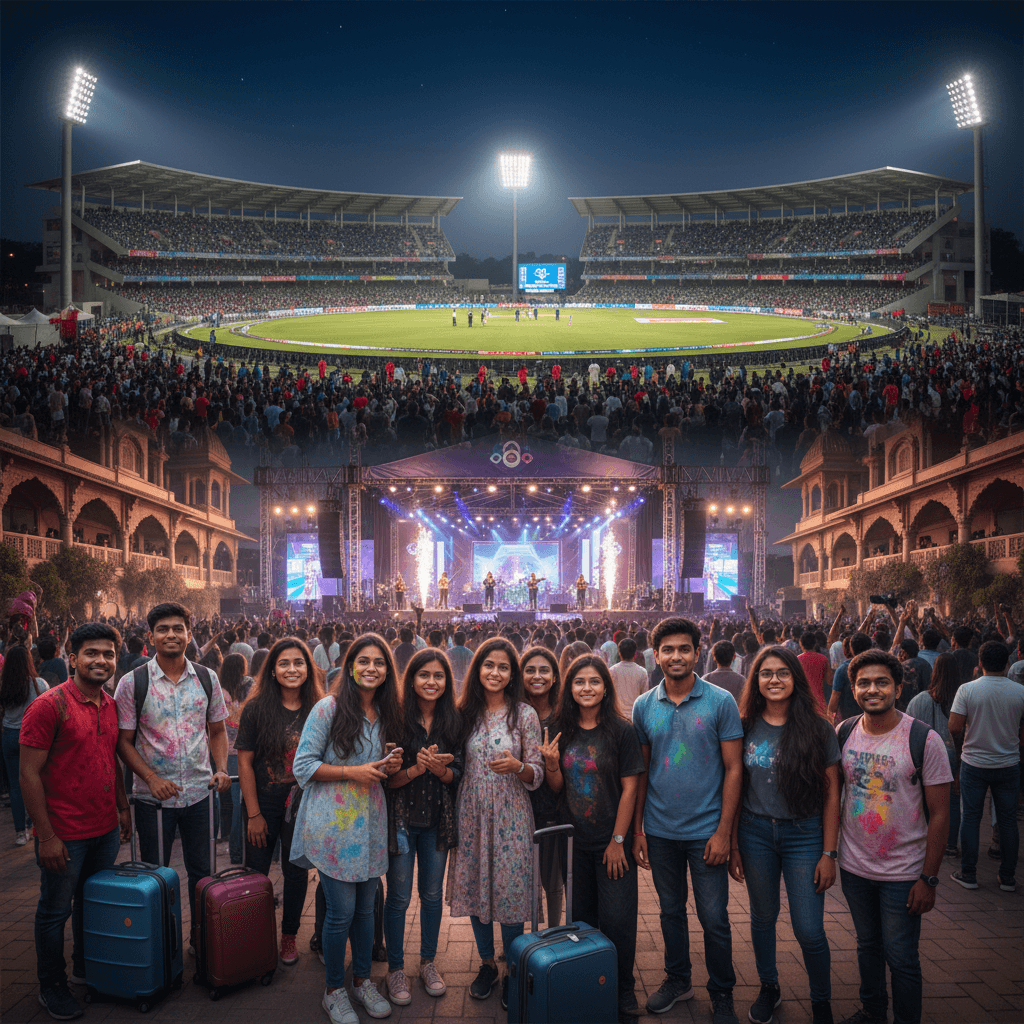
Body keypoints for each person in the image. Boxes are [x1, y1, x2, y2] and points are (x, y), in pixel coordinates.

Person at [631, 617, 743, 1024]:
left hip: (706, 833)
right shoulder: (644, 705)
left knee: (714, 918)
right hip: (660, 832)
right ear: (655, 654)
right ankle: (678, 979)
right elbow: (642, 773)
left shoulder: (719, 702)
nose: (676, 656)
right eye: (668, 649)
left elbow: (734, 769)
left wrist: (724, 833)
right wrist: (640, 829)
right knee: (670, 910)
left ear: (699, 652)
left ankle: (723, 991)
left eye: (684, 649)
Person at [19, 623, 132, 1021]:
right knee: (55, 911)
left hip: (103, 830)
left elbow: (111, 759)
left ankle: (88, 969)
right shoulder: (50, 706)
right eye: (92, 653)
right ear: (73, 658)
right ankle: (52, 986)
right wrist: (46, 835)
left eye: (108, 654)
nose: (101, 661)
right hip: (64, 833)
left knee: (92, 904)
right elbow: (28, 775)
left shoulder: (110, 703)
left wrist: (121, 807)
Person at [290, 634, 405, 1024]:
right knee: (341, 912)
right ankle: (334, 990)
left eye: (379, 662)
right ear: (351, 665)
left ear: (388, 671)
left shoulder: (386, 714)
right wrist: (352, 772)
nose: (372, 668)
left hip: (370, 824)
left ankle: (362, 981)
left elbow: (375, 768)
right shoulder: (328, 708)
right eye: (364, 661)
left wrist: (387, 765)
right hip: (332, 825)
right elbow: (303, 766)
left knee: (366, 912)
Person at [837, 649, 951, 1024]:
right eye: (864, 683)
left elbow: (940, 815)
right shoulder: (844, 732)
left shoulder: (924, 739)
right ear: (853, 688)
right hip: (855, 869)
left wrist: (929, 878)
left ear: (898, 688)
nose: (873, 689)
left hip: (904, 874)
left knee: (901, 956)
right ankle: (872, 1011)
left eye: (882, 682)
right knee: (867, 946)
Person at [729, 646, 841, 1024]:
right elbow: (733, 785)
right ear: (755, 680)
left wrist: (830, 852)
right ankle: (769, 986)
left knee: (808, 928)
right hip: (754, 833)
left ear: (796, 678)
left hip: (804, 836)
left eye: (782, 673)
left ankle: (821, 1000)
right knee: (763, 917)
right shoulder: (743, 725)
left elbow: (831, 794)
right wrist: (732, 843)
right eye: (766, 673)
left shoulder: (818, 727)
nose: (774, 680)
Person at [114, 603, 231, 935]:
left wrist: (221, 768)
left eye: (178, 628)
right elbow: (123, 741)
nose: (171, 634)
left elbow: (218, 731)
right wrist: (150, 779)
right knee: (154, 876)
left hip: (201, 795)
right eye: (163, 629)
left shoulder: (207, 679)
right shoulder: (132, 683)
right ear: (151, 637)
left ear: (189, 635)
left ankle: (202, 939)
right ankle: (161, 946)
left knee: (204, 875)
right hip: (154, 801)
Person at [542, 654, 646, 1018]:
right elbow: (556, 787)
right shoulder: (559, 727)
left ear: (605, 687)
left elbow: (630, 788)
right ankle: (588, 981)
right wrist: (552, 765)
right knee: (582, 921)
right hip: (574, 843)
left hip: (610, 844)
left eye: (594, 682)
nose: (586, 688)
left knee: (618, 920)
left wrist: (618, 841)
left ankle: (623, 988)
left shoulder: (621, 730)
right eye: (579, 682)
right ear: (570, 688)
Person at [448, 637, 543, 1010]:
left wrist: (519, 767)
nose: (495, 672)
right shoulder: (462, 713)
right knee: (476, 887)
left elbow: (536, 772)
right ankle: (487, 963)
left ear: (512, 674)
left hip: (513, 814)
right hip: (472, 813)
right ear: (478, 669)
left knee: (511, 890)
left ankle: (514, 968)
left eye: (504, 667)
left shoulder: (525, 715)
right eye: (489, 665)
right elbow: (456, 766)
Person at [237, 637, 324, 966]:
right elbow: (244, 762)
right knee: (257, 874)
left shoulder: (320, 708)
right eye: (284, 663)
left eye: (298, 663)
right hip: (262, 805)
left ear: (308, 668)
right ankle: (257, 938)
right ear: (272, 669)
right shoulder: (256, 709)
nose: (292, 669)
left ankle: (289, 936)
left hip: (302, 808)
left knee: (296, 872)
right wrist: (254, 814)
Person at [383, 648, 463, 1005]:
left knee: (431, 896)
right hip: (401, 820)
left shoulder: (454, 721)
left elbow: (457, 773)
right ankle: (396, 968)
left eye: (439, 676)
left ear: (447, 681)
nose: (431, 682)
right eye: (424, 675)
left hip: (437, 822)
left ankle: (428, 962)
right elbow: (387, 779)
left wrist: (441, 770)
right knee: (398, 897)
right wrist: (417, 768)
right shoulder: (396, 719)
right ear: (411, 679)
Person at [948, 640, 1024, 893]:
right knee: (1007, 820)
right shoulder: (1019, 692)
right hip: (1009, 763)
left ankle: (968, 873)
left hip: (974, 763)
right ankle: (1008, 877)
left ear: (980, 663)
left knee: (971, 817)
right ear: (1007, 663)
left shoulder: (967, 690)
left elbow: (954, 728)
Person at [520, 645, 565, 927]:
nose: (537, 676)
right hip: (515, 804)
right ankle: (517, 938)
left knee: (552, 878)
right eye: (530, 670)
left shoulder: (563, 716)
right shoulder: (513, 712)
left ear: (554, 677)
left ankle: (553, 936)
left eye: (544, 670)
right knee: (518, 876)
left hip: (552, 806)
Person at [906, 653, 961, 858]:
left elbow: (910, 732)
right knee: (952, 803)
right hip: (954, 756)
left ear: (934, 671)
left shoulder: (920, 699)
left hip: (925, 757)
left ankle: (926, 841)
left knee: (925, 801)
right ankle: (949, 845)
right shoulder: (962, 697)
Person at [2, 646, 49, 845]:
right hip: (32, 738)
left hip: (9, 737)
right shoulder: (38, 684)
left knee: (15, 785)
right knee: (36, 780)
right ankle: (34, 823)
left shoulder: (4, 685)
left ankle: (21, 832)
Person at [610, 636, 649, 715]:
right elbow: (645, 698)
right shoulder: (642, 672)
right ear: (635, 653)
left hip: (617, 716)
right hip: (634, 716)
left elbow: (607, 694)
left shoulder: (612, 671)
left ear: (619, 653)